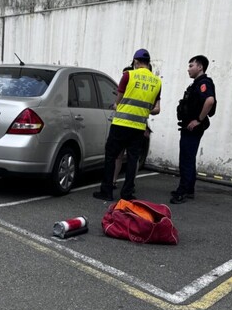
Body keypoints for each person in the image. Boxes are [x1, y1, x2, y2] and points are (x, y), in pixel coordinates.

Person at [93, 49, 161, 201]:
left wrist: (117, 105)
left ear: (136, 62)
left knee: (111, 156)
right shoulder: (157, 82)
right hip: (139, 127)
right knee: (132, 159)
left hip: (121, 124)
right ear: (149, 63)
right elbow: (154, 107)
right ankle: (127, 193)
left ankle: (107, 191)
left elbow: (119, 99)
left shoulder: (128, 75)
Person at [170, 55, 216, 204]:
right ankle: (189, 189)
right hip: (188, 126)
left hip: (193, 128)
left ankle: (182, 192)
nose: (188, 69)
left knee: (186, 159)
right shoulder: (197, 84)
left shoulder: (204, 83)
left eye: (191, 66)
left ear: (200, 67)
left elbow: (210, 100)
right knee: (189, 158)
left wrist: (198, 120)